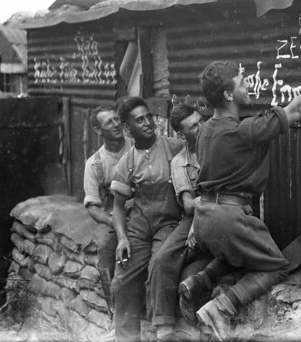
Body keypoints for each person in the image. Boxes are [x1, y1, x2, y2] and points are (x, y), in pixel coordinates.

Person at [180, 46, 301, 340]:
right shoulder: (244, 130)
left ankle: (199, 280)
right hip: (229, 219)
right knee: (275, 267)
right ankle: (221, 308)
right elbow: (296, 108)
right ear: (229, 95)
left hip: (206, 217)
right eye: (243, 81)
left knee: (240, 254)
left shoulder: (206, 129)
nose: (250, 85)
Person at [109, 97, 187, 342]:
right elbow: (118, 207)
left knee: (159, 265)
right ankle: (126, 337)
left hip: (168, 223)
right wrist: (122, 238)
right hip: (140, 227)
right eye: (139, 120)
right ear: (127, 129)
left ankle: (162, 332)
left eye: (148, 117)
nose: (147, 123)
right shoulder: (127, 162)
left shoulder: (172, 147)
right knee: (122, 278)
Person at [146, 103, 207, 341]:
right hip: (192, 218)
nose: (201, 127)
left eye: (201, 121)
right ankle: (164, 329)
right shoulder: (179, 161)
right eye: (193, 126)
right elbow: (189, 205)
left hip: (222, 216)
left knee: (193, 264)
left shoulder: (219, 147)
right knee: (162, 259)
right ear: (182, 135)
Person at [82, 105, 133, 312]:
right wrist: (115, 222)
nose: (116, 124)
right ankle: (114, 310)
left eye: (116, 119)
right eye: (109, 122)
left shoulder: (136, 146)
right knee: (105, 248)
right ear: (97, 130)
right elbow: (93, 207)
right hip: (116, 214)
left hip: (146, 206)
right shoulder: (95, 164)